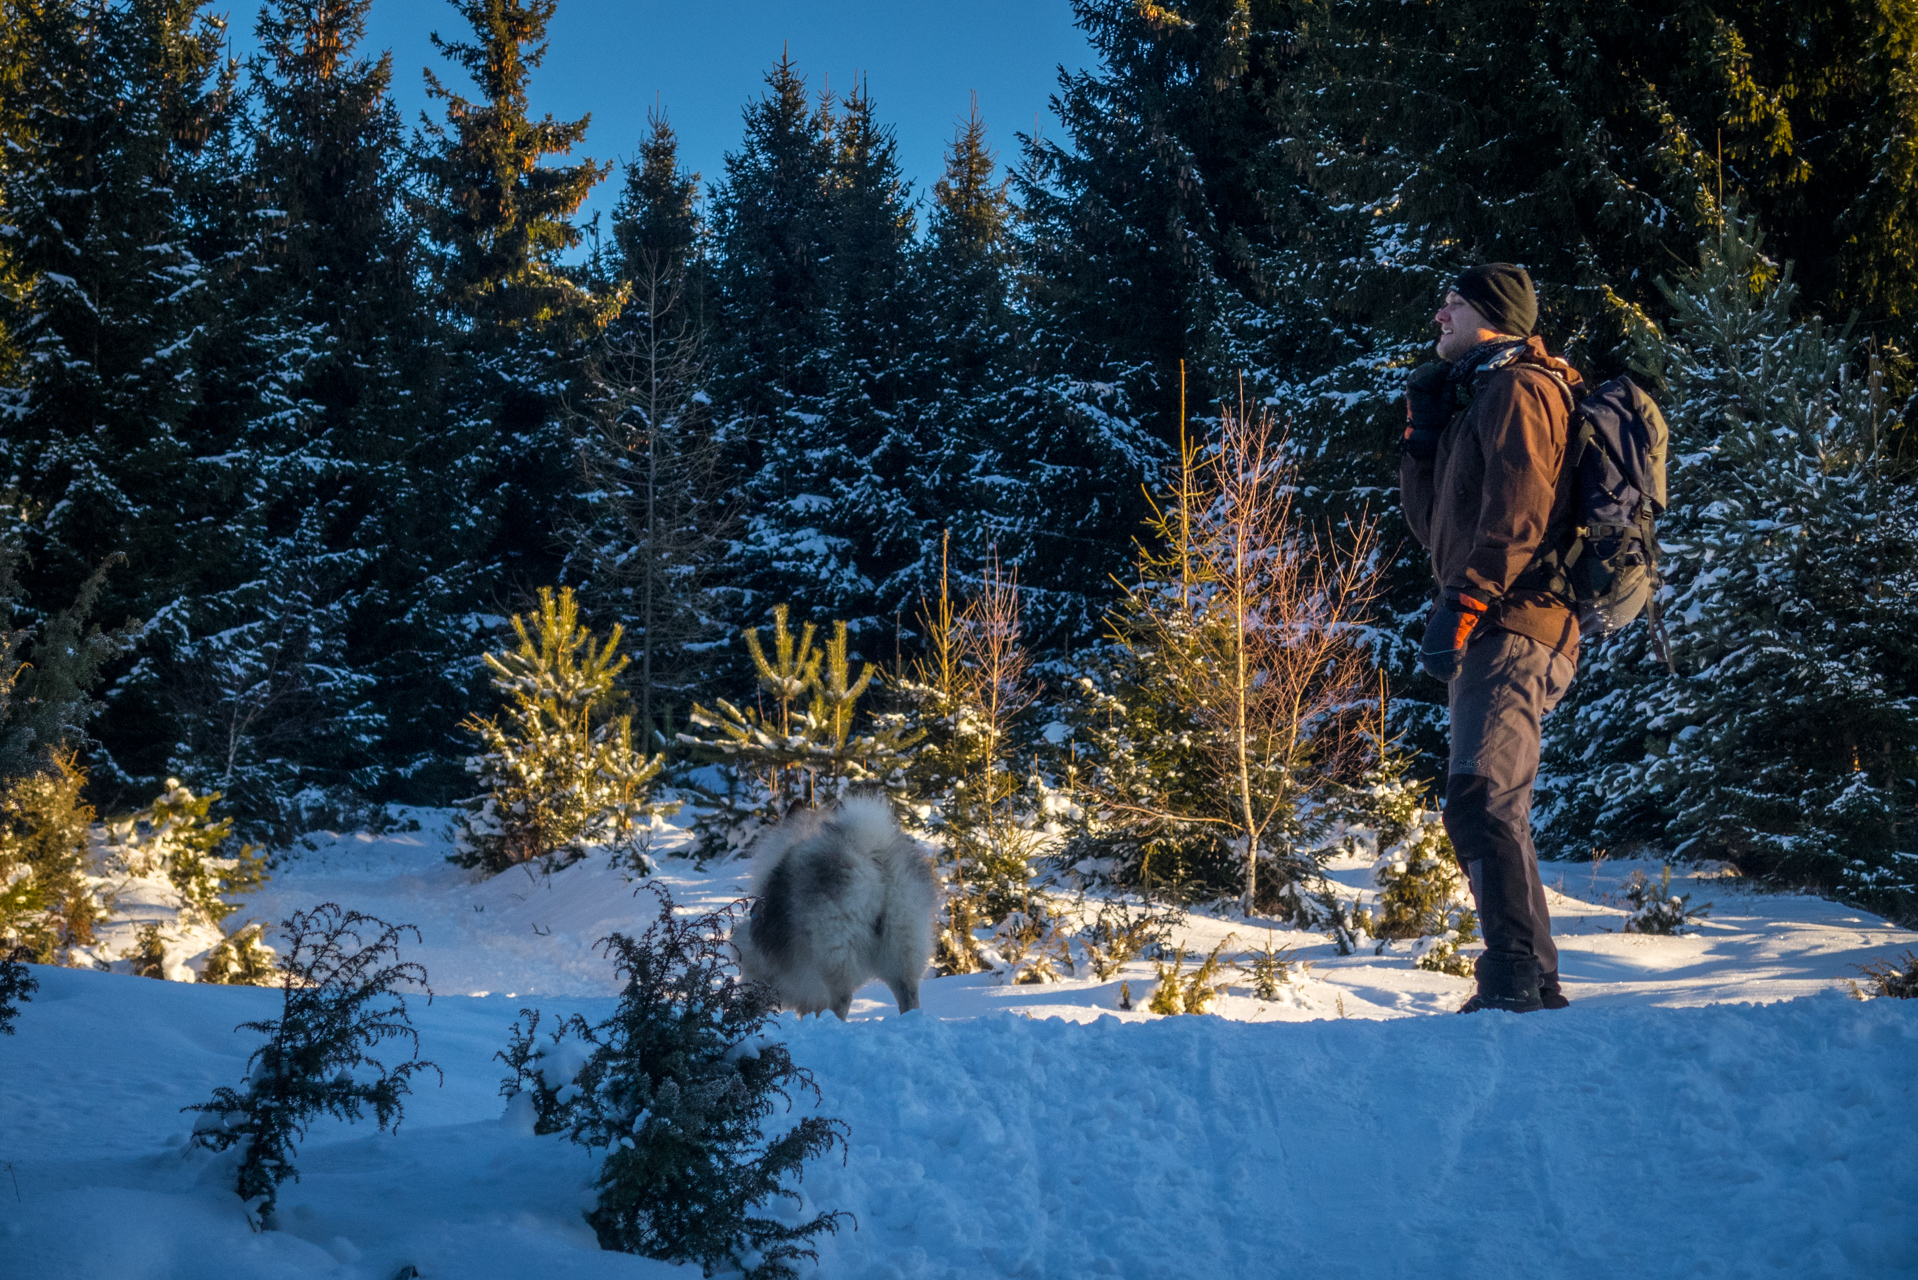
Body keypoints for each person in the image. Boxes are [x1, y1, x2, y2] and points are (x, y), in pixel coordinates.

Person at [1398, 263, 1582, 1013]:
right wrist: (1421, 439)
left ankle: (1512, 981)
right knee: (1491, 802)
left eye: (1453, 303)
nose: (1439, 314)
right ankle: (1531, 979)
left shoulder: (1521, 389)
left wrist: (1466, 603)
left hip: (1515, 621)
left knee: (1479, 799)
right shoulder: (1484, 391)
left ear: (1490, 315)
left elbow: (1520, 516)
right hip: (1500, 621)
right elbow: (1435, 532)